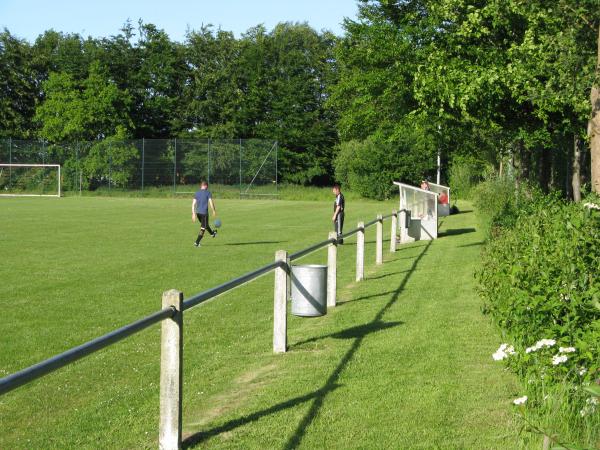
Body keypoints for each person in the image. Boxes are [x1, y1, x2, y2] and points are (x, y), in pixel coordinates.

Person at [192, 181, 217, 247]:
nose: (207, 188)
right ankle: (197, 243)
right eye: (207, 186)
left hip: (198, 213)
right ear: (205, 186)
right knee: (203, 227)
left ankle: (212, 234)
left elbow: (193, 204)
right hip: (204, 213)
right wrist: (213, 210)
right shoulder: (207, 193)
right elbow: (211, 202)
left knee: (205, 225)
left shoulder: (197, 193)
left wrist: (193, 214)